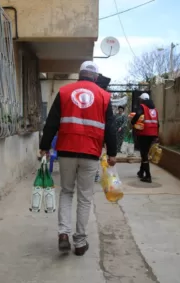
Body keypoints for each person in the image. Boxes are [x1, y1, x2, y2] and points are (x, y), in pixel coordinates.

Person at [39, 61, 117, 256]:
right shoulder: (104, 96)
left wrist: (44, 147)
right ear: (96, 77)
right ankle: (80, 242)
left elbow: (51, 123)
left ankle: (63, 234)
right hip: (90, 152)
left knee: (66, 192)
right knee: (84, 197)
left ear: (79, 74)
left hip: (66, 151)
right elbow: (110, 128)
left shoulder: (65, 92)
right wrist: (113, 152)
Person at [131, 93, 159, 183]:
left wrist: (132, 122)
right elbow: (158, 123)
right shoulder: (154, 109)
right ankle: (141, 171)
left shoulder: (142, 107)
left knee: (144, 154)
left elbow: (137, 115)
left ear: (142, 100)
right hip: (153, 133)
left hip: (144, 133)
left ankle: (148, 176)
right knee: (145, 153)